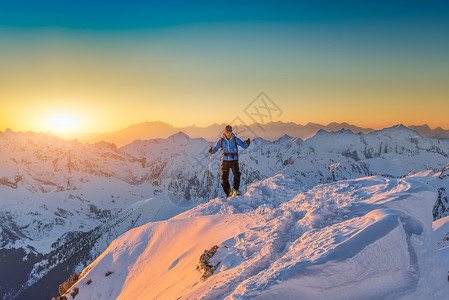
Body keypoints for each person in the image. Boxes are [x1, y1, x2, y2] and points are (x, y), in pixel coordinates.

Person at [209, 125, 250, 198]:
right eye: (227, 132)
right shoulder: (221, 141)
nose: (228, 133)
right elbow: (215, 149)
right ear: (225, 132)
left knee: (237, 175)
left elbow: (244, 146)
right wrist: (211, 151)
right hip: (225, 160)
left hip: (234, 160)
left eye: (230, 132)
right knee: (224, 178)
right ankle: (228, 193)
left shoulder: (235, 139)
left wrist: (247, 143)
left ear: (231, 132)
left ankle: (235, 189)